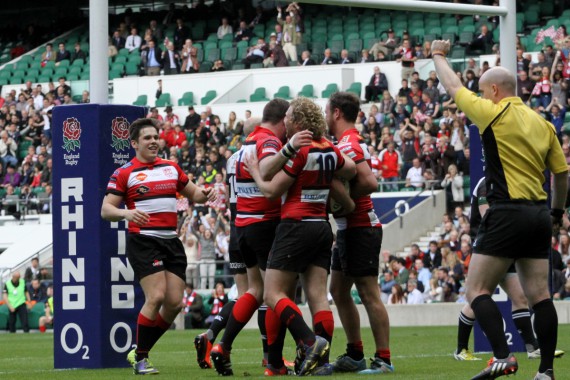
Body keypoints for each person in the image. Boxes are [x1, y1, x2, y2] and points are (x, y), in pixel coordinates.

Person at [431, 39, 568, 380]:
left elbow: (452, 86)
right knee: (540, 295)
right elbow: (562, 175)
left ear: (493, 90)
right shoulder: (544, 123)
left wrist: (437, 55)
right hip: (539, 213)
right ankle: (547, 372)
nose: (480, 95)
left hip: (507, 211)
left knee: (476, 290)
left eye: (482, 90)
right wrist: (556, 214)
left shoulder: (492, 112)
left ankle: (503, 357)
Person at [246, 97, 356, 376]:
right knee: (318, 296)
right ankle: (323, 362)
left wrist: (256, 173)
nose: (284, 121)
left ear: (297, 122)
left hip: (295, 225)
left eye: (289, 117)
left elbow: (270, 190)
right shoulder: (328, 147)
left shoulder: (300, 150)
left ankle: (309, 342)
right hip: (321, 225)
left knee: (273, 293)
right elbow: (351, 170)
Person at [101, 118, 216, 375]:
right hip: (144, 240)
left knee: (175, 303)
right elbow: (106, 210)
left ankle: (139, 351)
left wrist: (205, 194)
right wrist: (127, 214)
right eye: (147, 138)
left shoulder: (171, 168)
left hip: (170, 241)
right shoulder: (124, 173)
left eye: (156, 137)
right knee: (157, 296)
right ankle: (141, 359)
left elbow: (194, 194)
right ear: (134, 143)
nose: (154, 141)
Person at [208, 99, 313, 376]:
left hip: (242, 225)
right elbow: (266, 172)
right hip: (264, 225)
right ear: (282, 121)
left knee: (254, 291)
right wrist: (289, 149)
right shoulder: (268, 141)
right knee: (274, 294)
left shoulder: (246, 143)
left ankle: (222, 345)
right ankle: (280, 357)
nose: (288, 130)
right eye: (288, 124)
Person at [454, 177, 565, 362]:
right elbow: (486, 215)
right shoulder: (486, 182)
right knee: (478, 295)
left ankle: (532, 348)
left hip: (506, 243)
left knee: (518, 297)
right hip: (489, 246)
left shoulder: (510, 180)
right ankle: (461, 349)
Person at [325, 92, 394, 375]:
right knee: (338, 290)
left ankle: (384, 359)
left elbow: (370, 181)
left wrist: (345, 201)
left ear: (337, 113)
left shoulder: (349, 144)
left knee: (368, 293)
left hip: (360, 227)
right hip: (348, 229)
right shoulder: (345, 142)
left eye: (327, 111)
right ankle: (355, 353)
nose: (325, 116)